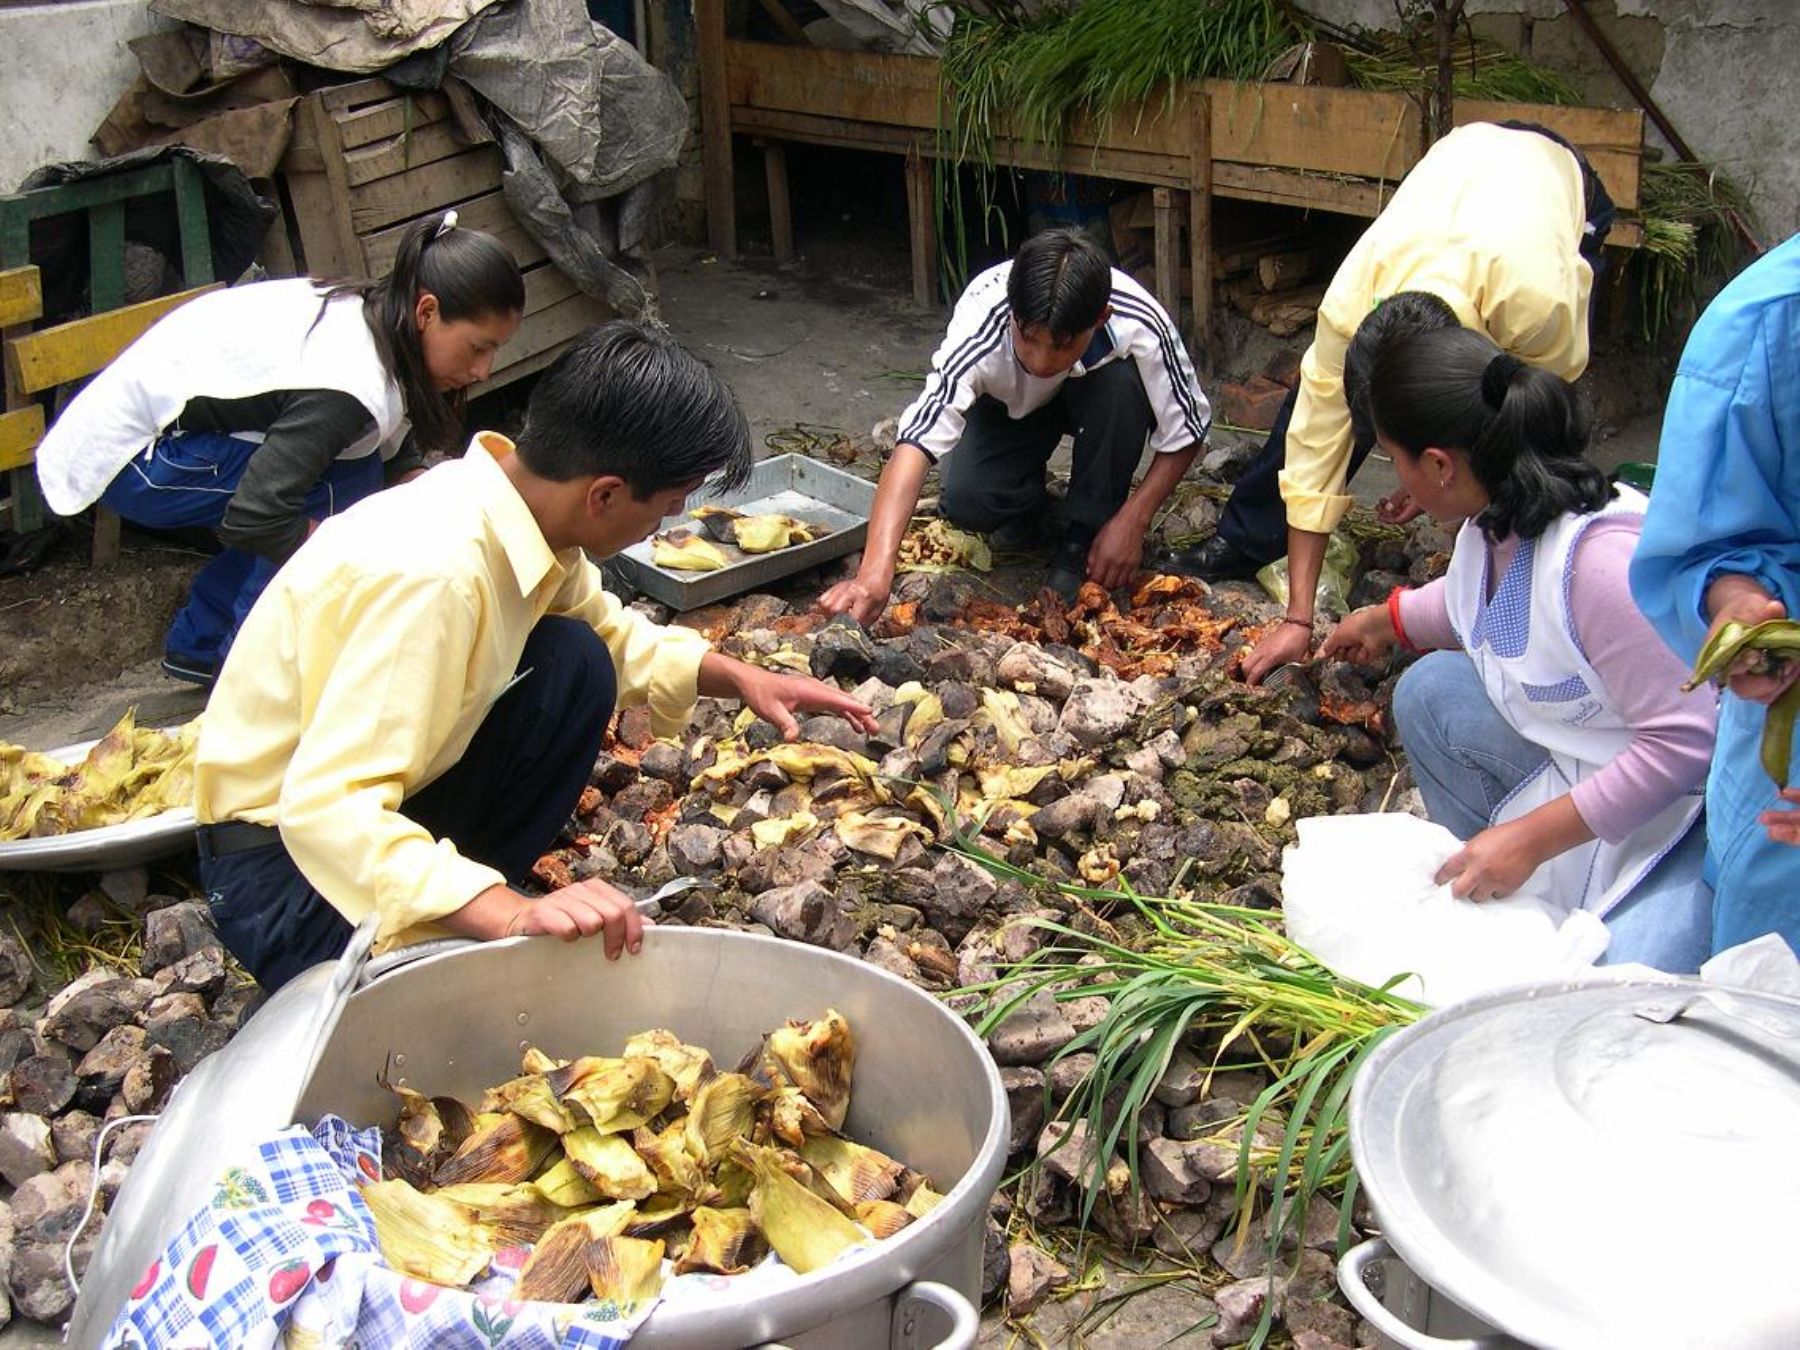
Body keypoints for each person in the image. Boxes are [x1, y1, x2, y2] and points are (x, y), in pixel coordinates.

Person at [191, 320, 878, 992]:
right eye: (667, 506)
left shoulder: (518, 513)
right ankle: (431, 940)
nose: (665, 525)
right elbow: (329, 807)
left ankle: (461, 905)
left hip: (348, 821)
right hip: (280, 871)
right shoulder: (439, 576)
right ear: (604, 494)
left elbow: (610, 633)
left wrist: (741, 678)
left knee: (573, 659)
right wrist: (510, 911)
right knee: (466, 1001)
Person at [1320, 326, 1715, 972]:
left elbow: (1687, 744)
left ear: (1441, 465)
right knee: (1428, 691)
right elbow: (1470, 603)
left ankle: (1548, 879)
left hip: (1683, 817)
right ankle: (1514, 890)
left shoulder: (1597, 564)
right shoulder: (1494, 517)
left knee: (1622, 991)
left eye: (1396, 459)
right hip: (1586, 770)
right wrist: (1387, 619)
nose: (1397, 479)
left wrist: (1530, 839)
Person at [1163, 121, 1615, 686]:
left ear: (1439, 456)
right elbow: (1311, 448)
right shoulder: (1349, 310)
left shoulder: (1538, 307)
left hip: (1555, 175)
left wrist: (1447, 497)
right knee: (1312, 414)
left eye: (1405, 456)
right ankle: (1250, 536)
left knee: (1527, 458)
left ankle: (1524, 589)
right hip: (1462, 159)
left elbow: (1532, 417)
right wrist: (1298, 617)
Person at [34, 209, 525, 686]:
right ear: (427, 311)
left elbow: (384, 445)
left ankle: (201, 642)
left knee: (353, 481)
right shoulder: (348, 380)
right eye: (478, 347)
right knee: (338, 503)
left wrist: (430, 494)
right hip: (132, 457)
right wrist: (344, 549)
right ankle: (249, 674)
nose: (483, 370)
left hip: (169, 433)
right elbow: (258, 513)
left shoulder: (382, 317)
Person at [819, 227, 1209, 620]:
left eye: (1062, 344)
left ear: (1100, 318)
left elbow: (1189, 426)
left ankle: (1083, 538)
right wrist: (874, 571)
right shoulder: (981, 319)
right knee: (968, 502)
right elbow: (917, 440)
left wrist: (1135, 519)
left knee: (1121, 385)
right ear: (1012, 313)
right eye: (1028, 339)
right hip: (1009, 408)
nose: (1041, 361)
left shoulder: (1138, 317)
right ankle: (1031, 504)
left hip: (1099, 402)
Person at [1630, 232, 1800, 958]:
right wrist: (1736, 602)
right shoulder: (1764, 328)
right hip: (1787, 769)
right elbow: (1710, 544)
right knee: (1766, 996)